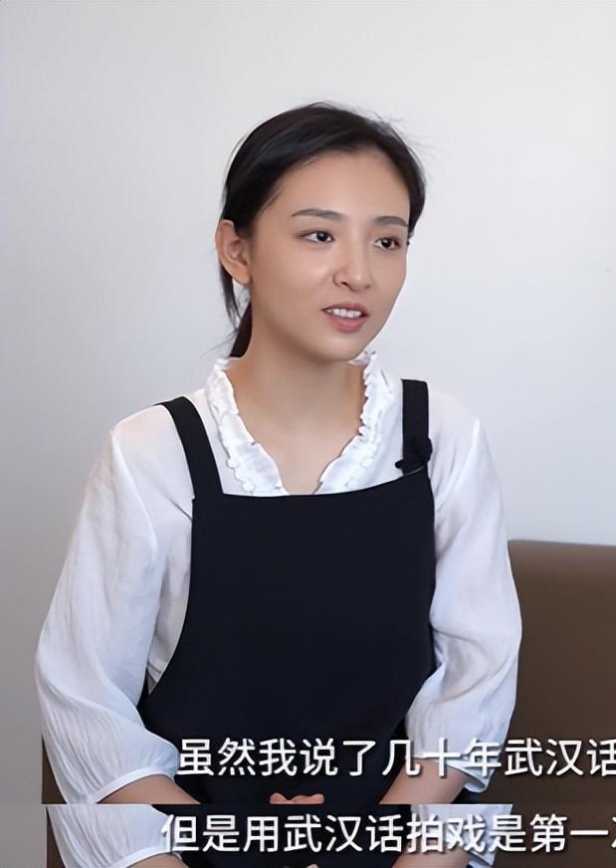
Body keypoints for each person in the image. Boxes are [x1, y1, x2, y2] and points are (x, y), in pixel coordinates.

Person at [35, 101, 522, 868]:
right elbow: (86, 705)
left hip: (399, 838)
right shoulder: (151, 454)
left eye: (387, 240)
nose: (359, 272)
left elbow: (475, 677)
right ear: (237, 249)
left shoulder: (441, 437)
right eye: (319, 235)